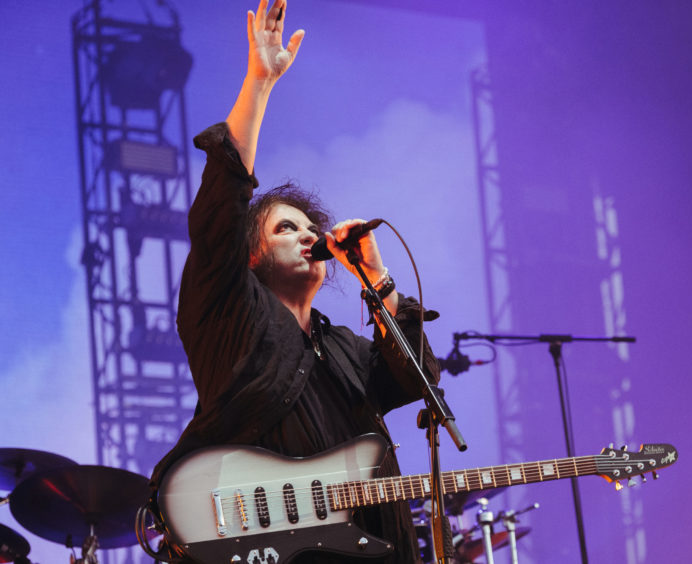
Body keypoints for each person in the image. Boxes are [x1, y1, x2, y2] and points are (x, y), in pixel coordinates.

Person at [148, 1, 440, 562]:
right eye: (287, 228)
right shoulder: (229, 313)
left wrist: (377, 278)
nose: (310, 235)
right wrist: (259, 83)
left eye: (313, 228)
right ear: (251, 255)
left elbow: (415, 380)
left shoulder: (344, 350)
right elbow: (219, 213)